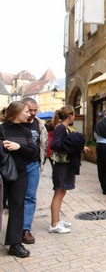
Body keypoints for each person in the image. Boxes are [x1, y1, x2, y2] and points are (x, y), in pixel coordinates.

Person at [0, 101, 38, 258]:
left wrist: (18, 147)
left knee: (17, 207)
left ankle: (15, 243)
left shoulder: (26, 131)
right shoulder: (1, 128)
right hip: (1, 174)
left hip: (20, 174)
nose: (29, 114)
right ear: (16, 112)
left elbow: (33, 152)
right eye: (26, 111)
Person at [49, 105, 90, 234]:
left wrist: (80, 146)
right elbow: (55, 144)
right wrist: (70, 143)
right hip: (61, 164)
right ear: (70, 115)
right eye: (74, 115)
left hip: (64, 164)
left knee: (62, 191)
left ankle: (57, 220)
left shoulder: (64, 128)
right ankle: (54, 224)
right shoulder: (61, 128)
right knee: (59, 191)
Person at [21, 97, 48, 245]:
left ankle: (26, 229)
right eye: (29, 110)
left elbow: (43, 144)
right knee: (15, 198)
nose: (32, 113)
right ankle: (15, 227)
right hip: (16, 165)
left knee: (30, 197)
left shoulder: (39, 124)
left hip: (33, 165)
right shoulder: (15, 124)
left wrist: (41, 162)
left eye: (34, 110)